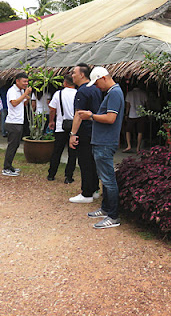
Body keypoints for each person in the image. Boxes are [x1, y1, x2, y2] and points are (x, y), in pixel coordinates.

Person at [76, 66, 124, 229]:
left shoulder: (115, 93)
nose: (97, 87)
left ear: (103, 78)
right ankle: (106, 209)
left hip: (105, 142)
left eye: (97, 83)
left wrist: (91, 115)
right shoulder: (111, 93)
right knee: (105, 177)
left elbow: (111, 118)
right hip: (101, 141)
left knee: (108, 179)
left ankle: (113, 215)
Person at [68, 63, 102, 203]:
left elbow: (78, 114)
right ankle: (94, 189)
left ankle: (86, 193)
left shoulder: (82, 91)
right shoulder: (96, 89)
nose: (72, 76)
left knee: (85, 161)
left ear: (82, 74)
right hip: (95, 130)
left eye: (74, 73)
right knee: (92, 161)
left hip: (85, 131)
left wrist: (73, 134)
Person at [47, 74, 77, 184]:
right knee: (72, 153)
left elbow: (52, 109)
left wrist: (51, 121)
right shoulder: (78, 94)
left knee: (57, 151)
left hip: (60, 126)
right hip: (74, 127)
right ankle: (68, 176)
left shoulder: (58, 94)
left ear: (65, 83)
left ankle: (51, 174)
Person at [2, 72, 32, 176]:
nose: (26, 83)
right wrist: (24, 94)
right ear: (17, 81)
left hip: (19, 121)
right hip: (13, 122)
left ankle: (9, 166)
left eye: (27, 81)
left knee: (15, 145)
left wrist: (26, 97)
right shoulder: (12, 91)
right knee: (12, 145)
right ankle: (6, 168)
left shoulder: (20, 91)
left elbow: (21, 104)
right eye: (24, 81)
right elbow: (13, 103)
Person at [123, 83, 148, 153]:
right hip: (141, 114)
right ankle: (138, 147)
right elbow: (147, 104)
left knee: (128, 130)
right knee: (140, 131)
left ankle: (129, 145)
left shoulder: (129, 94)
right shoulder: (143, 93)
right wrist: (148, 113)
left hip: (131, 114)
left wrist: (126, 114)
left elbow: (128, 105)